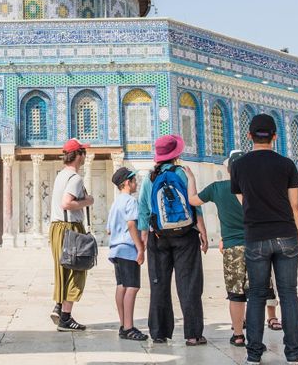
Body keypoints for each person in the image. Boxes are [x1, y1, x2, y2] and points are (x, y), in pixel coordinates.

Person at [230, 114, 298, 365]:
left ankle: (253, 355)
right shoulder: (287, 164)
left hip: (256, 236)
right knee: (288, 294)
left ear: (249, 137)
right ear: (274, 136)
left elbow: (243, 201)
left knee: (257, 295)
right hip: (286, 235)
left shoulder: (239, 165)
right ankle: (293, 355)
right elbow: (295, 206)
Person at [138, 134, 209, 346]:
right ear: (176, 154)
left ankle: (159, 332)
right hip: (186, 235)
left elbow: (143, 209)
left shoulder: (149, 177)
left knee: (158, 283)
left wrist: (144, 239)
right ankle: (193, 334)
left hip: (158, 236)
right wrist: (203, 232)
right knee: (189, 284)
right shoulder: (183, 173)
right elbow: (194, 205)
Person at [189, 149, 251, 347]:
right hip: (257, 246)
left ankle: (238, 335)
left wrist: (190, 178)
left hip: (233, 248)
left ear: (228, 169)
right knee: (256, 293)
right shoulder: (255, 187)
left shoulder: (218, 188)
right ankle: (256, 337)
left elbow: (193, 200)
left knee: (236, 293)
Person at [48, 138, 95, 332]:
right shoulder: (75, 178)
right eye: (83, 152)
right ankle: (66, 318)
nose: (85, 156)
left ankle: (59, 307)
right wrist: (88, 201)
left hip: (57, 227)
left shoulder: (61, 175)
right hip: (70, 227)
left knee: (63, 269)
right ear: (77, 155)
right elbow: (67, 203)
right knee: (77, 268)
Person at [105, 167, 147, 341]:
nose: (136, 183)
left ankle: (123, 325)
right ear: (127, 183)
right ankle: (129, 327)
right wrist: (140, 248)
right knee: (132, 287)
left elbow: (108, 230)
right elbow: (131, 225)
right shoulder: (130, 201)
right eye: (134, 180)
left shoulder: (116, 203)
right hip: (128, 249)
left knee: (122, 286)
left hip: (116, 249)